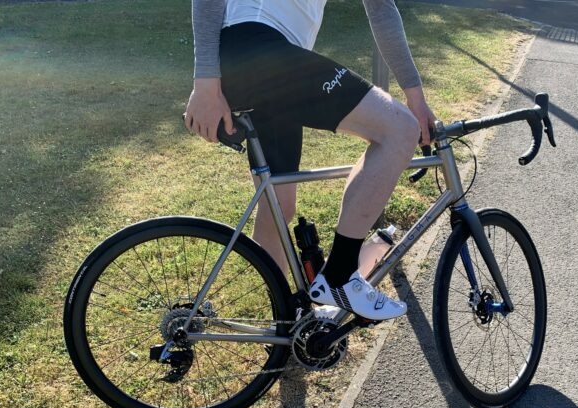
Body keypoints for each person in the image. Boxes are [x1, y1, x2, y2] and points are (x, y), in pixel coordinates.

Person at [184, 0, 436, 321]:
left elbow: (381, 9)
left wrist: (417, 98)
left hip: (268, 60)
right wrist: (204, 84)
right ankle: (340, 276)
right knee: (400, 128)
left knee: (278, 207)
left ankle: (285, 324)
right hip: (260, 49)